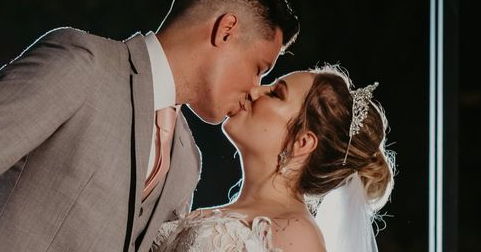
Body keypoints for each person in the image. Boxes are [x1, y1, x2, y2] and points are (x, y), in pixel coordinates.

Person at [0, 0, 299, 252]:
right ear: (226, 30)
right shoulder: (82, 65)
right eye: (259, 67)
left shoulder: (187, 160)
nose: (254, 88)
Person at [151, 65, 395, 252]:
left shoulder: (297, 237)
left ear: (302, 142)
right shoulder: (208, 213)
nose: (255, 91)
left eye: (276, 93)